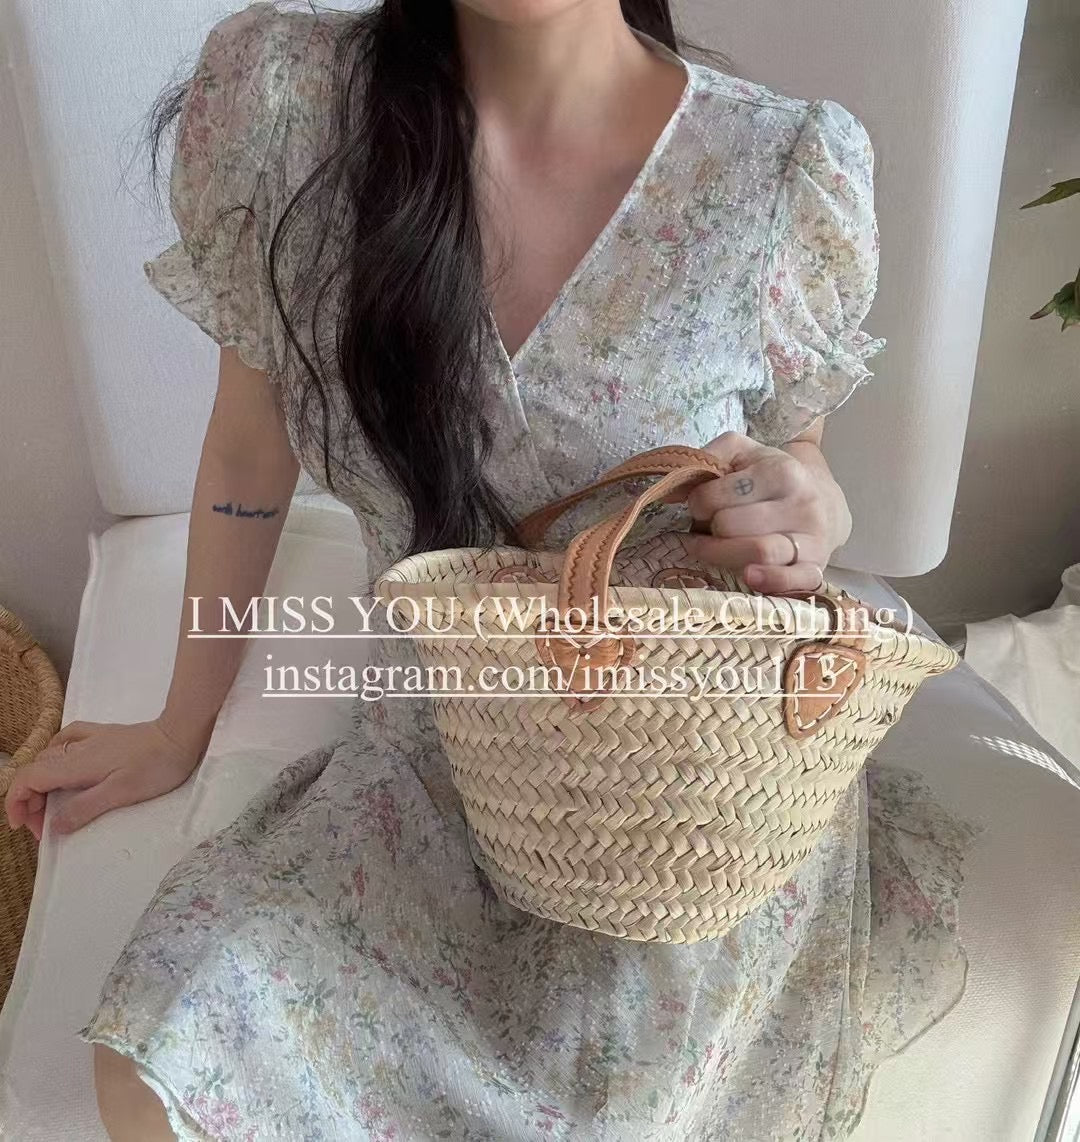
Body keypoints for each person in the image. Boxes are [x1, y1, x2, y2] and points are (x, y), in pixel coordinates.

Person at [4, 1, 978, 1138]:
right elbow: (247, 447)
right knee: (163, 1059)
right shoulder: (289, 105)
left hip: (681, 783)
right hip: (434, 747)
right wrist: (179, 726)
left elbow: (795, 457)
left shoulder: (779, 168)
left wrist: (813, 506)